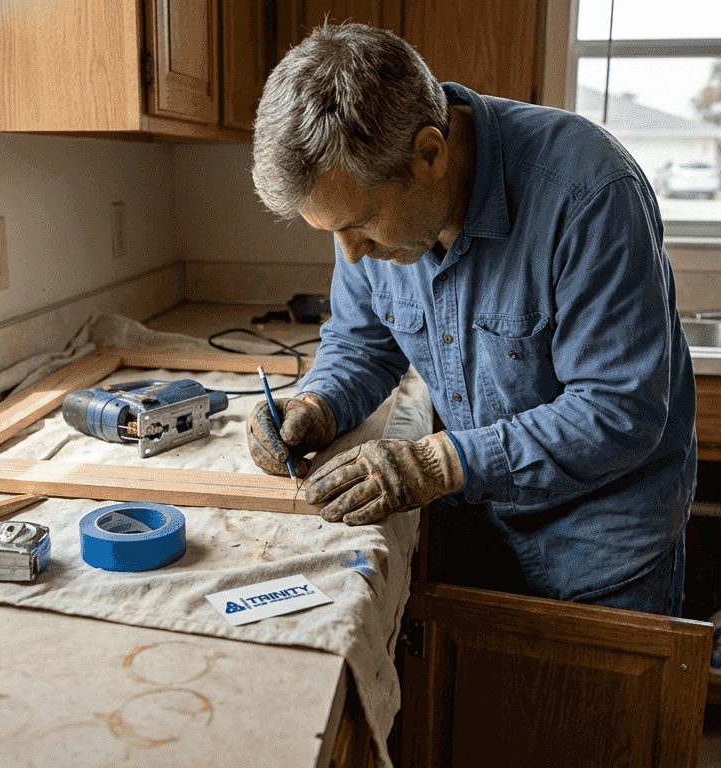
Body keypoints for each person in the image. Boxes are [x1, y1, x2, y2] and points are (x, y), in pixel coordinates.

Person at [245, 23, 696, 617]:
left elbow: (619, 409)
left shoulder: (589, 190)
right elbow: (363, 342)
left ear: (429, 153)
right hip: (478, 529)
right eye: (333, 232)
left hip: (604, 557)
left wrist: (440, 462)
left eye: (360, 224)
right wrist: (319, 404)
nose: (350, 253)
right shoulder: (363, 199)